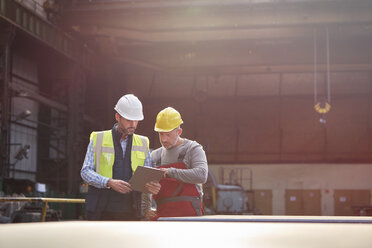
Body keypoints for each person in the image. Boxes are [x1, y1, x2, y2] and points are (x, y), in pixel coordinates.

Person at [81, 94, 161, 221]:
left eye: (136, 120)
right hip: (100, 212)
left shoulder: (143, 142)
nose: (133, 124)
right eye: (129, 120)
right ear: (117, 117)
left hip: (132, 212)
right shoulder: (98, 139)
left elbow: (146, 177)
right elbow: (85, 172)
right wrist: (109, 182)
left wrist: (151, 186)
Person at [144, 107, 208, 220]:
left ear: (179, 132)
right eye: (161, 134)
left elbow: (202, 175)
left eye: (168, 135)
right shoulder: (155, 155)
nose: (163, 139)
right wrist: (146, 209)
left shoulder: (192, 149)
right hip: (163, 218)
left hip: (190, 219)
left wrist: (170, 172)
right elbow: (145, 186)